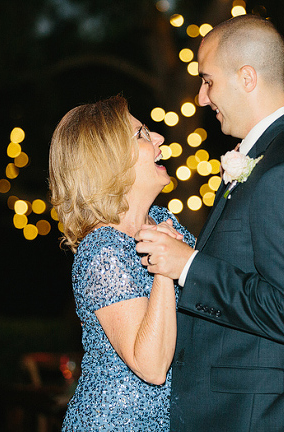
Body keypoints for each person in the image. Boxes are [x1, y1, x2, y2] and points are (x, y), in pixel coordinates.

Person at [133, 14, 284, 431]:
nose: (203, 98)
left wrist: (188, 265)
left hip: (257, 418)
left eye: (207, 81)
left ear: (246, 78)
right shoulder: (270, 156)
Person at [49, 95, 194, 430]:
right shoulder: (101, 250)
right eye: (142, 134)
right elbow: (152, 366)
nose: (158, 138)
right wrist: (163, 268)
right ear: (109, 160)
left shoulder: (164, 222)